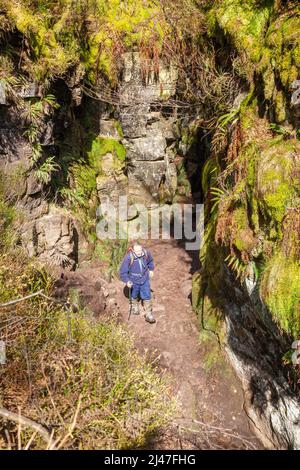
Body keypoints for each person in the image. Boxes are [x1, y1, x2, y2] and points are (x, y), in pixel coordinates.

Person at [119, 242, 156, 324]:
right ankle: (134, 306)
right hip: (134, 280)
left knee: (147, 295)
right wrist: (127, 280)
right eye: (137, 251)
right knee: (134, 294)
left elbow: (150, 261)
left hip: (144, 278)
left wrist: (151, 269)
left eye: (140, 250)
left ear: (142, 248)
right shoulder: (129, 257)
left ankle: (148, 314)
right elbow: (123, 272)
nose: (139, 252)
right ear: (133, 250)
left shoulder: (146, 253)